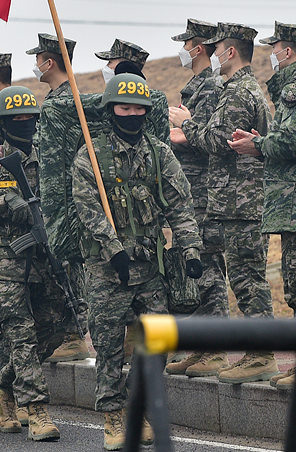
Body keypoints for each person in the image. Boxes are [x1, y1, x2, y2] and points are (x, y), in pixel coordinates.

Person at [72, 73, 201, 450]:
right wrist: (113, 250)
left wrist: (190, 250)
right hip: (106, 268)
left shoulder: (160, 153)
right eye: (124, 108)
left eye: (138, 109)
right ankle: (114, 417)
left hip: (150, 267)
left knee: (157, 342)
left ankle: (136, 405)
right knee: (110, 346)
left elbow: (180, 205)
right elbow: (88, 209)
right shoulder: (91, 157)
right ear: (111, 110)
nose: (132, 114)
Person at [229, 21, 296, 390]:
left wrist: (258, 146)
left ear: (287, 52)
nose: (271, 54)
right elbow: (292, 137)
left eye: (274, 47)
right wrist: (264, 140)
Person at [172, 22, 276, 383]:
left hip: (243, 200)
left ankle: (262, 354)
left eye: (216, 49)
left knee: (248, 280)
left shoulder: (237, 92)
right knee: (245, 278)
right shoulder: (238, 88)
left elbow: (219, 141)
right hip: (235, 200)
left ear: (231, 52)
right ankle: (255, 352)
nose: (212, 54)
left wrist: (188, 124)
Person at [0, 86, 67, 441]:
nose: (24, 124)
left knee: (54, 328)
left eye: (29, 118)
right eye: (16, 119)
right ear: (2, 124)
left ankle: (4, 391)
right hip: (5, 264)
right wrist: (4, 203)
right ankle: (36, 411)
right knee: (20, 335)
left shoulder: (49, 158)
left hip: (44, 261)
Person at [165, 18, 230, 376]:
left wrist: (183, 129)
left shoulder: (211, 87)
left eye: (186, 43)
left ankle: (216, 348)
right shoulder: (196, 86)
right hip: (191, 190)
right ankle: (205, 346)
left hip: (206, 189)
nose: (183, 50)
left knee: (209, 268)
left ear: (199, 47)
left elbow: (204, 137)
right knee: (199, 267)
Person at [23, 32, 89, 363]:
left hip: (69, 198)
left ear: (49, 62)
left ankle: (76, 333)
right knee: (59, 264)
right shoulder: (54, 98)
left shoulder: (69, 100)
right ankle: (66, 330)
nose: (35, 65)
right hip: (52, 198)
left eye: (38, 59)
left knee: (70, 264)